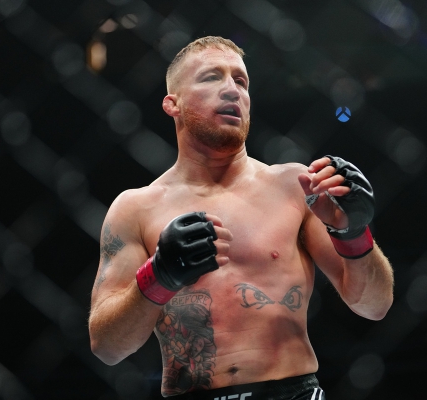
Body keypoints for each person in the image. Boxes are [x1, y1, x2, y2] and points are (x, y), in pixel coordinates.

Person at [88, 36, 394, 399]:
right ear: (173, 103)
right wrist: (159, 275)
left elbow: (374, 306)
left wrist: (354, 233)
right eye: (211, 77)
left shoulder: (297, 186)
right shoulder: (136, 208)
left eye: (241, 81)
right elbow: (107, 347)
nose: (232, 90)